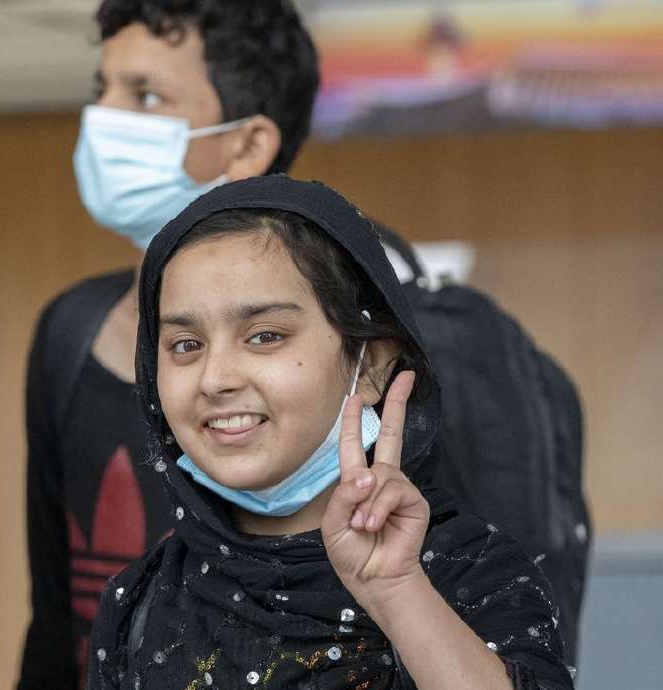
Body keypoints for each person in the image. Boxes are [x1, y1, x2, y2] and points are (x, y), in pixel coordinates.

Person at [87, 174, 573, 689]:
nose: (215, 379)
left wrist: (397, 591)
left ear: (371, 366)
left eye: (264, 336)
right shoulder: (139, 603)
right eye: (185, 345)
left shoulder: (467, 571)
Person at [19, 3, 319, 686]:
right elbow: (54, 619)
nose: (105, 120)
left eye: (146, 96)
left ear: (246, 146)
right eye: (103, 91)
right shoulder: (69, 334)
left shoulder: (339, 351)